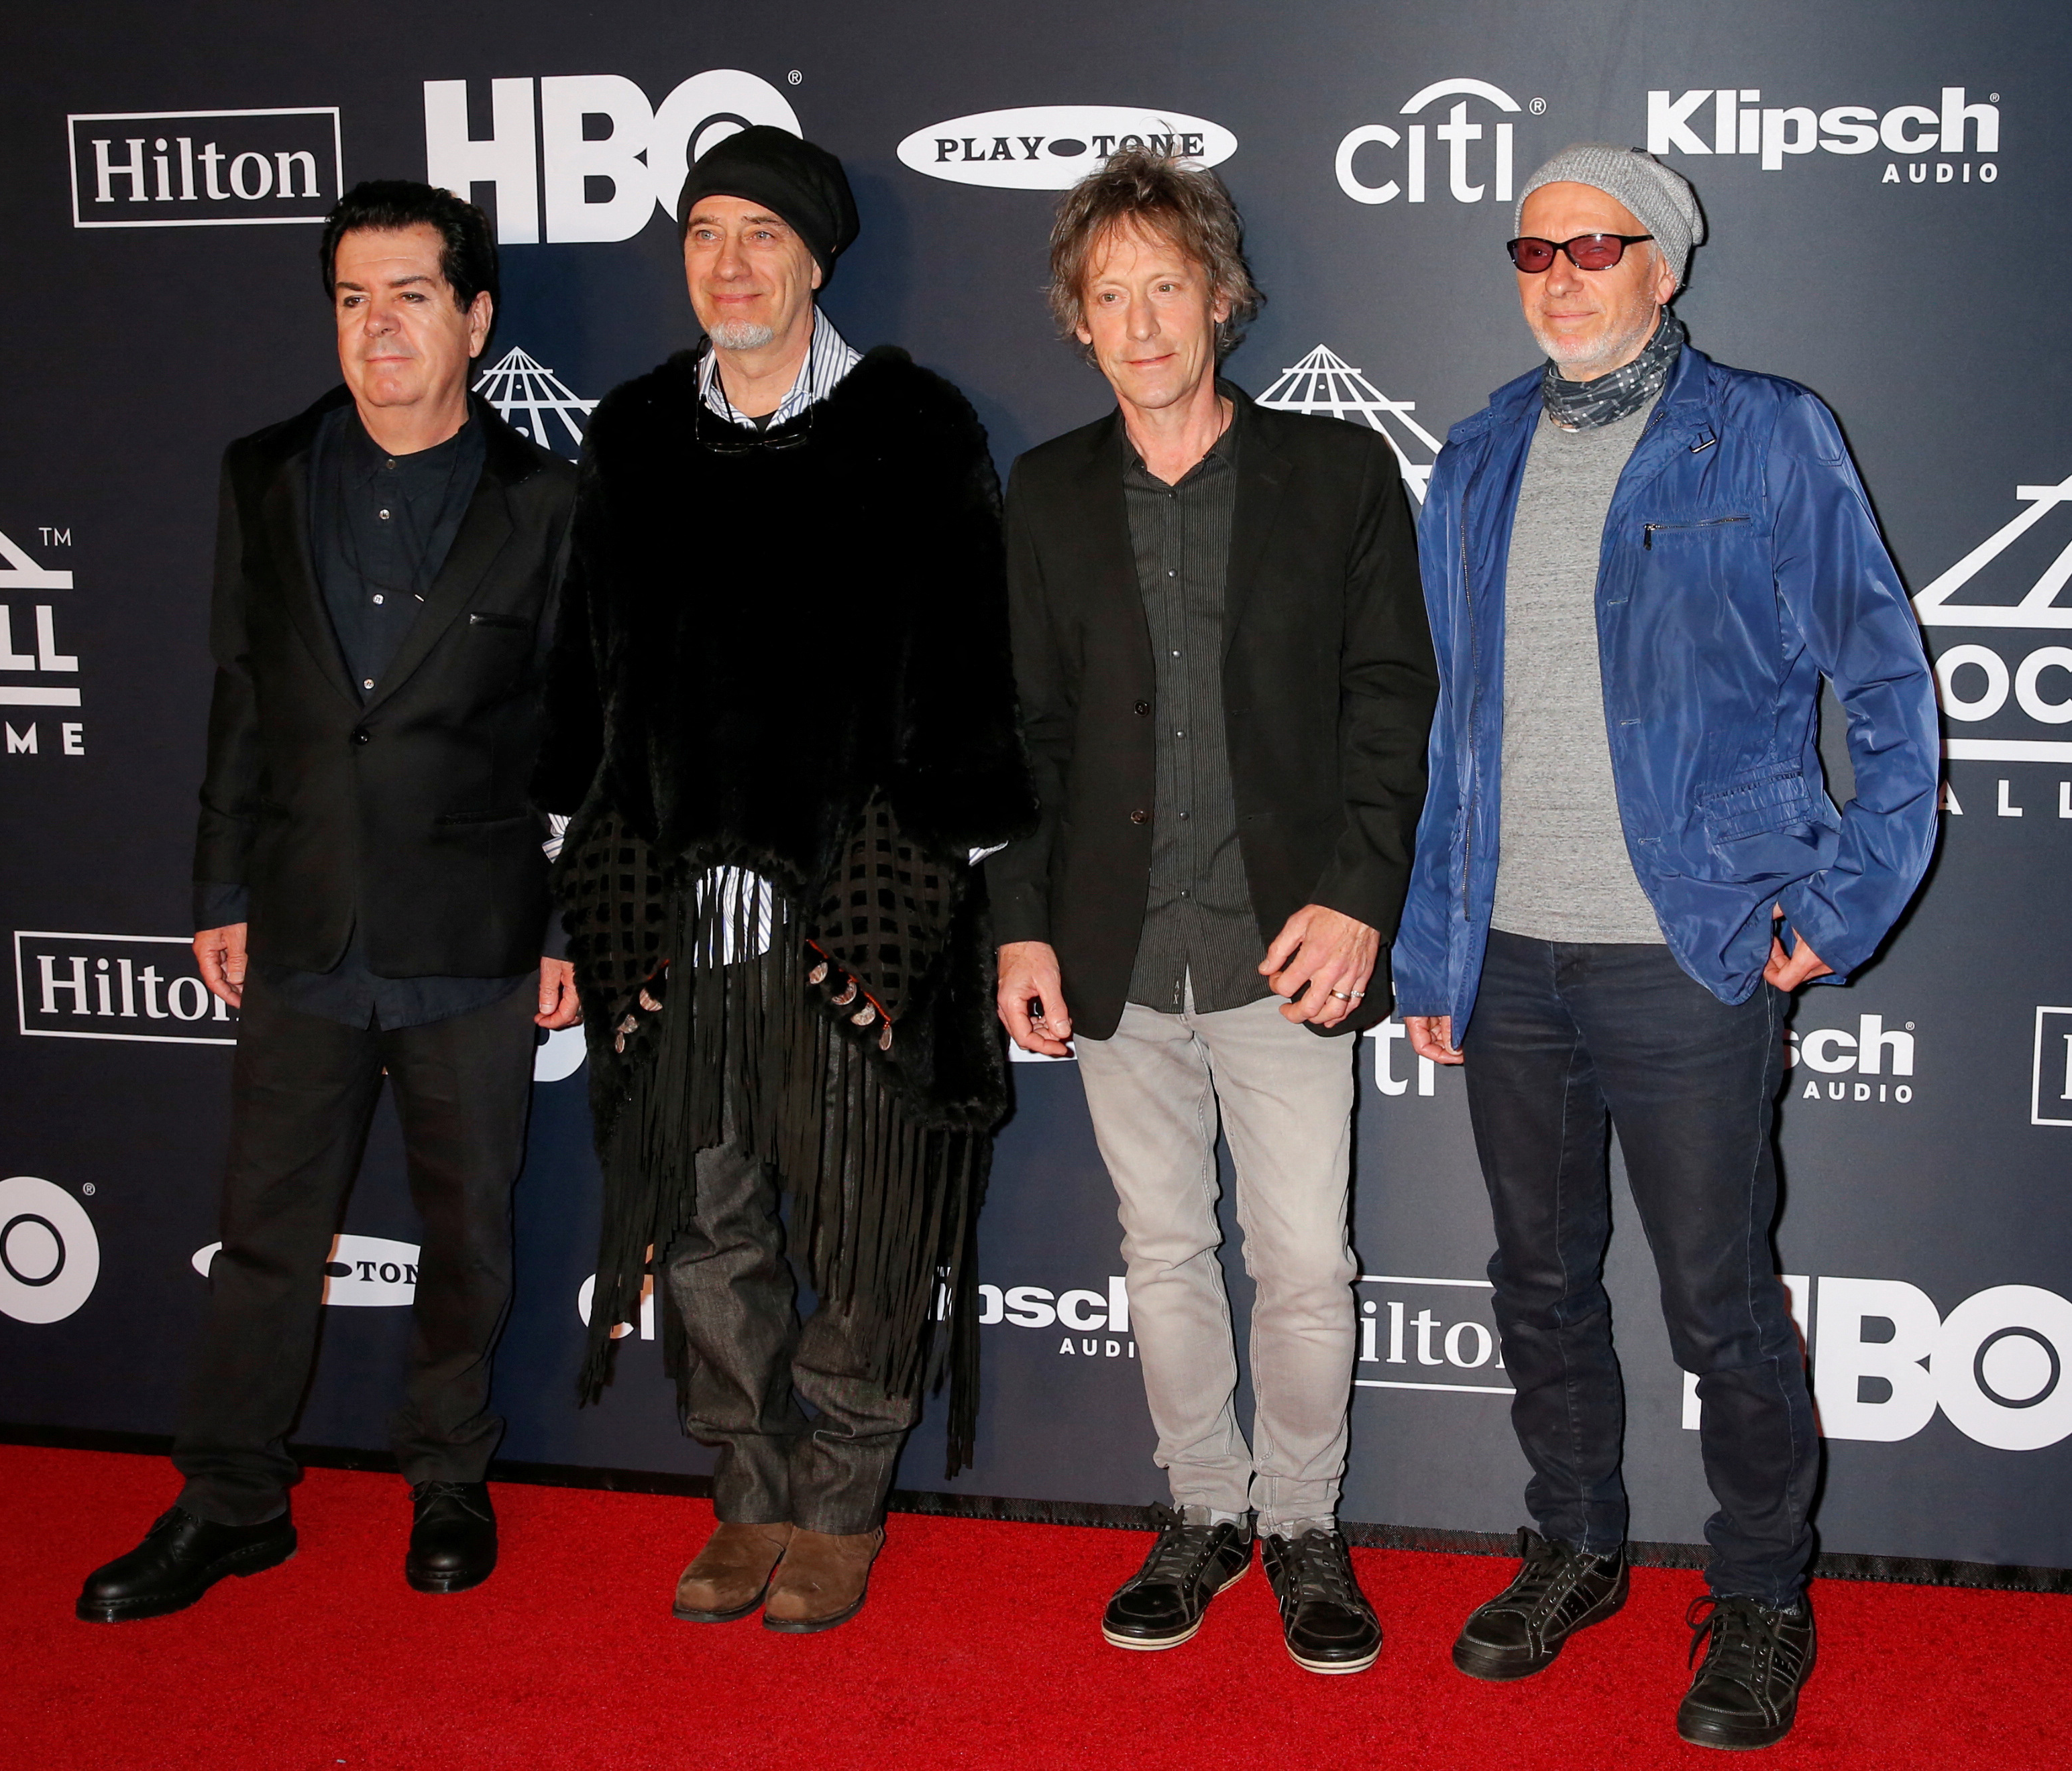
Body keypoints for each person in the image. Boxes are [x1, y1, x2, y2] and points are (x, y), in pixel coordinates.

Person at [1395, 144, 1938, 1747]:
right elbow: (1452, 731)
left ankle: (1761, 1594)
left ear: (1665, 264)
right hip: (1505, 952)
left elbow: (1889, 693)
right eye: (1533, 250)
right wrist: (1435, 944)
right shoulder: (1478, 452)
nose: (1559, 276)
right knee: (1539, 1283)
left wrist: (1832, 906)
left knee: (1717, 1296)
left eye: (1595, 246)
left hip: (1686, 948)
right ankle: (1573, 1543)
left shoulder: (1765, 434)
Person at [535, 127, 1030, 1636]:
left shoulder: (914, 426)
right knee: (702, 1228)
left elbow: (964, 687)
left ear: (817, 257)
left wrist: (916, 874)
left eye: (760, 234)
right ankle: (744, 1488)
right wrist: (574, 889)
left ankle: (837, 1507)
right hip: (672, 927)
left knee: (869, 1227)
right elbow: (585, 679)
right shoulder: (625, 437)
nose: (729, 263)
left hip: (851, 922)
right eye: (703, 235)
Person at [78, 181, 582, 1623]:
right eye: (353, 300)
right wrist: (222, 880)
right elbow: (239, 691)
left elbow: (579, 734)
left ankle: (446, 1479)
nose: (379, 330)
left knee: (468, 1233)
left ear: (474, 320)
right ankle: (230, 1501)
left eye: (411, 296)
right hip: (299, 922)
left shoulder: (546, 502)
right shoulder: (262, 474)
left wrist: (561, 926)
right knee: (265, 1234)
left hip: (474, 934)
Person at [991, 146, 1437, 1676]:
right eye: (1105, 295)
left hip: (1283, 953)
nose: (1138, 321)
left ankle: (1304, 1525)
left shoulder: (1334, 477)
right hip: (1115, 949)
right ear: (1078, 319)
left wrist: (1359, 898)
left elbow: (1391, 702)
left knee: (1305, 1261)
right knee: (1162, 1248)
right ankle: (1202, 1513)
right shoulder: (1044, 496)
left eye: (1161, 286)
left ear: (1217, 298)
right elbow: (1022, 736)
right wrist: (1020, 922)